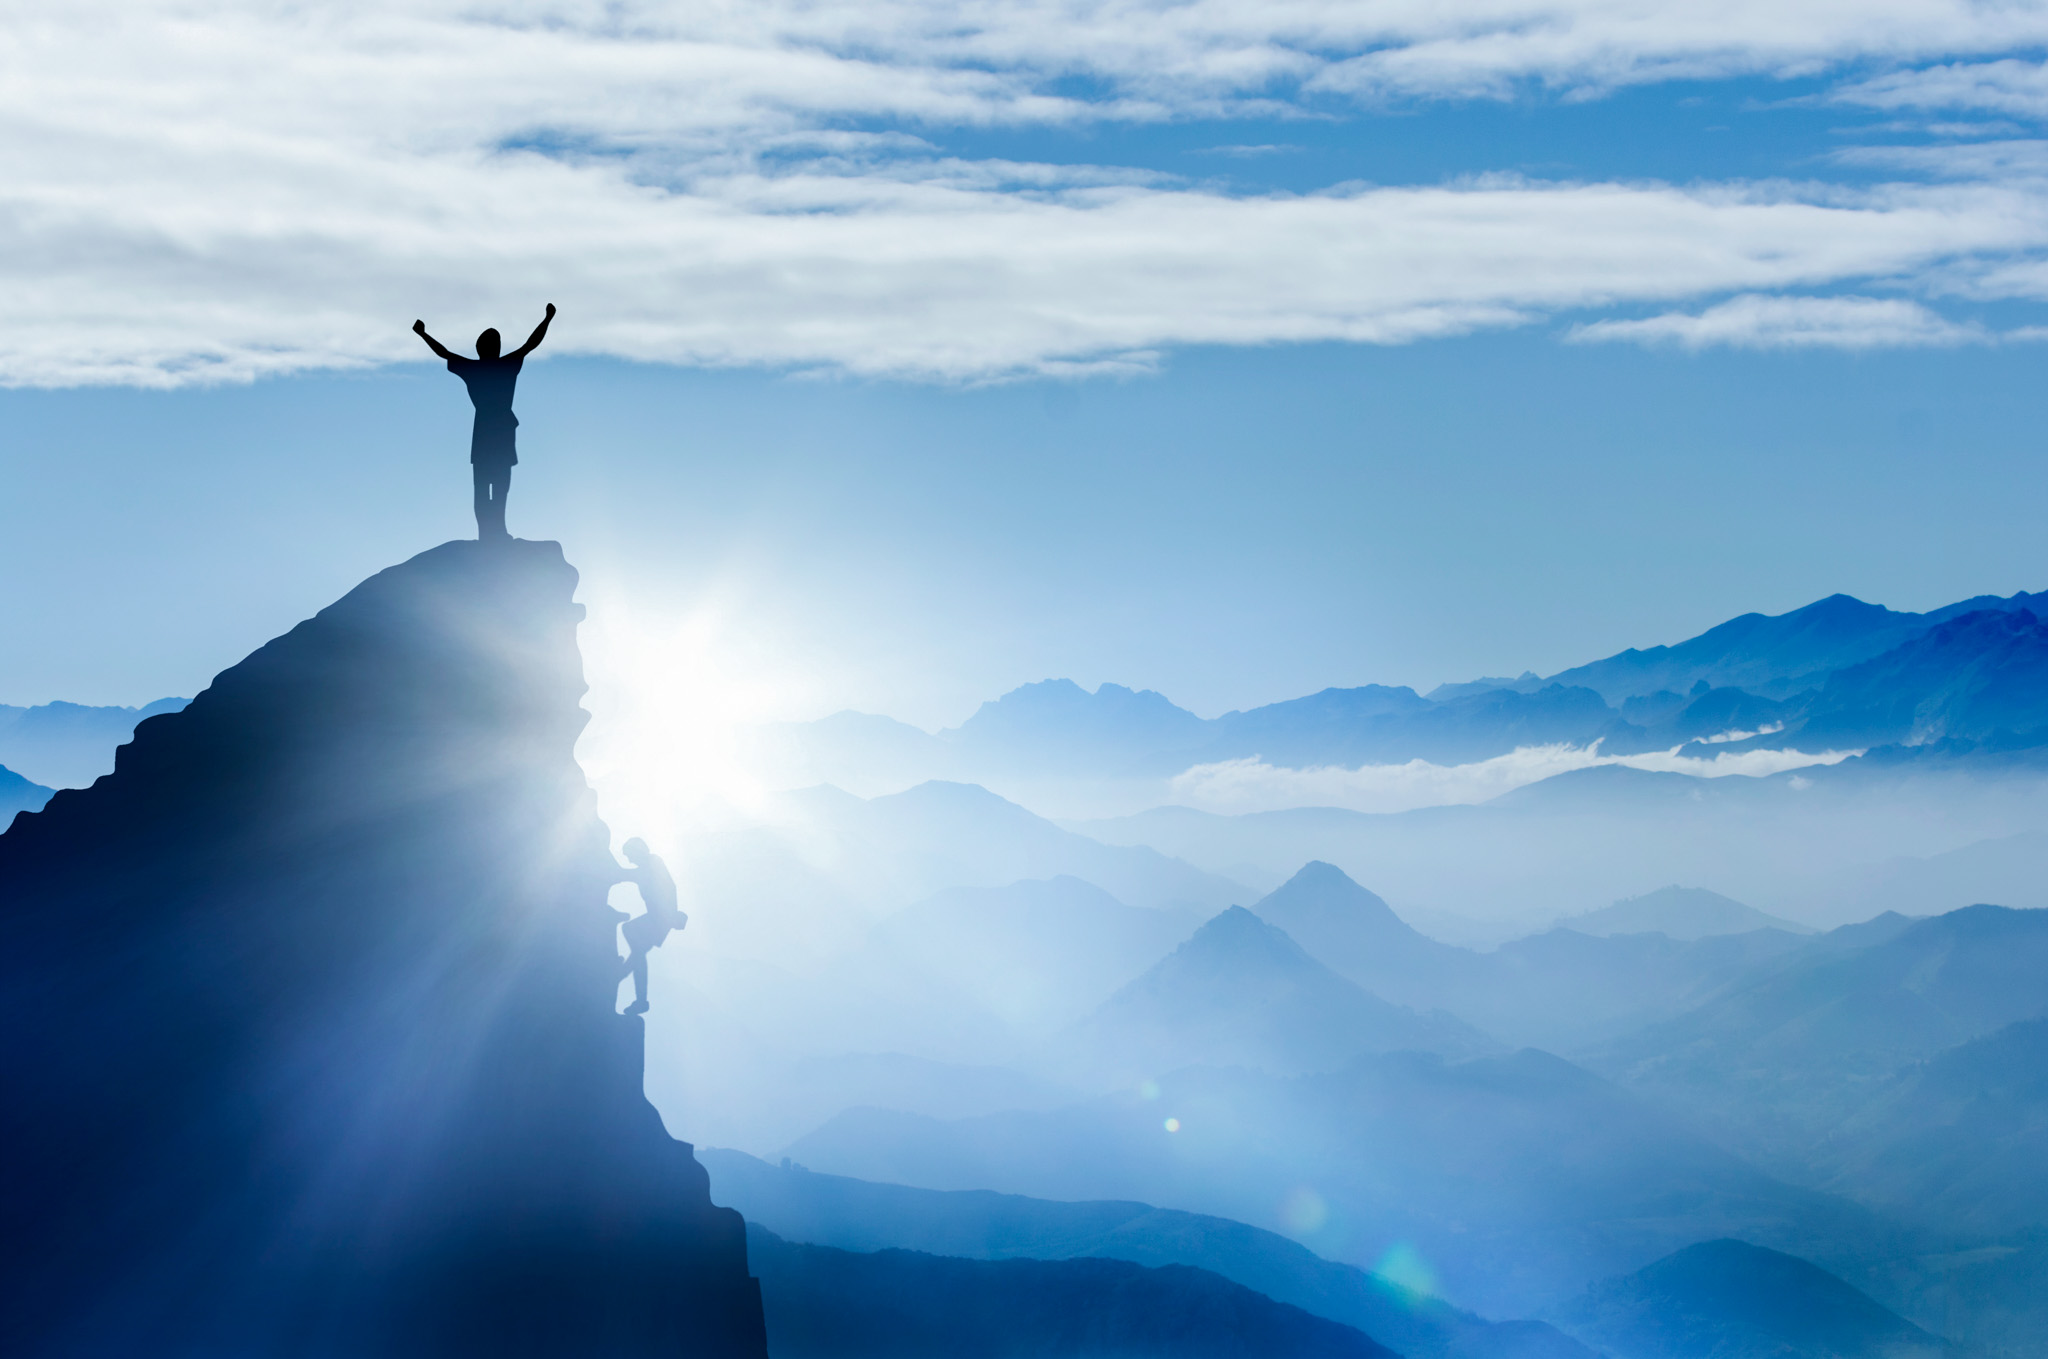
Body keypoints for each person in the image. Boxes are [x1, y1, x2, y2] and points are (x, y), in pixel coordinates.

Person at [413, 304, 555, 540]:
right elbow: (531, 343)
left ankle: (492, 533)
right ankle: (492, 533)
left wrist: (423, 334)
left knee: (488, 485)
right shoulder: (501, 365)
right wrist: (547, 318)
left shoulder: (474, 368)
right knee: (497, 485)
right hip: (498, 431)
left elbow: (444, 353)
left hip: (488, 432)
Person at [617, 837, 686, 1016]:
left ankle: (633, 990)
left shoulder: (652, 863)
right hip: (661, 918)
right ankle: (630, 985)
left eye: (629, 855)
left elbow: (666, 886)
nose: (629, 860)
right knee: (637, 950)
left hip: (660, 919)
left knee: (632, 939)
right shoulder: (649, 865)